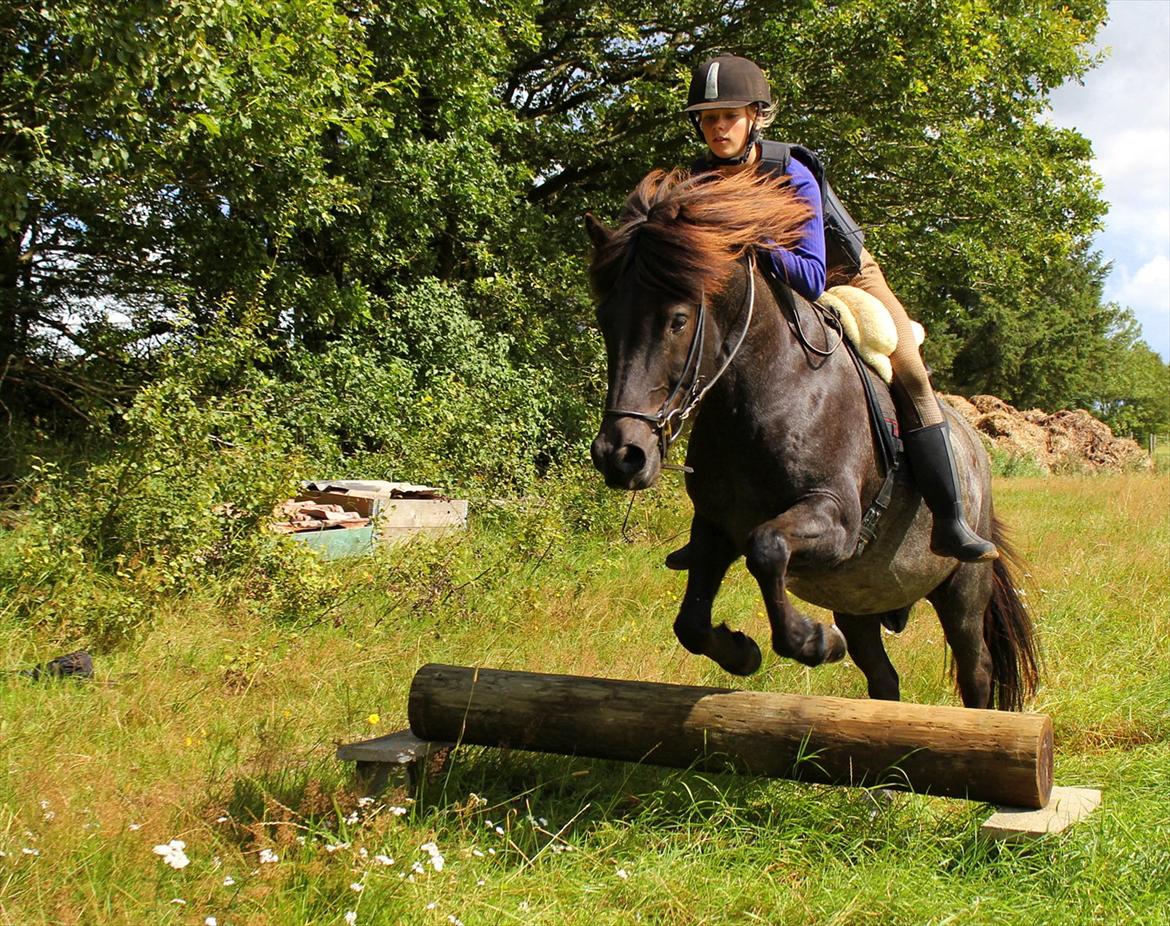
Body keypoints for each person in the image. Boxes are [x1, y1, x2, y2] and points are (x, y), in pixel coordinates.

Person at [680, 54, 997, 563]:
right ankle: (711, 527)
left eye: (730, 116)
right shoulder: (695, 182)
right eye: (709, 118)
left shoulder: (791, 170)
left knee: (909, 370)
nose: (719, 128)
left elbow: (808, 273)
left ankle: (950, 518)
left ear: (756, 117)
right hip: (762, 290)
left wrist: (746, 244)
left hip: (845, 274)